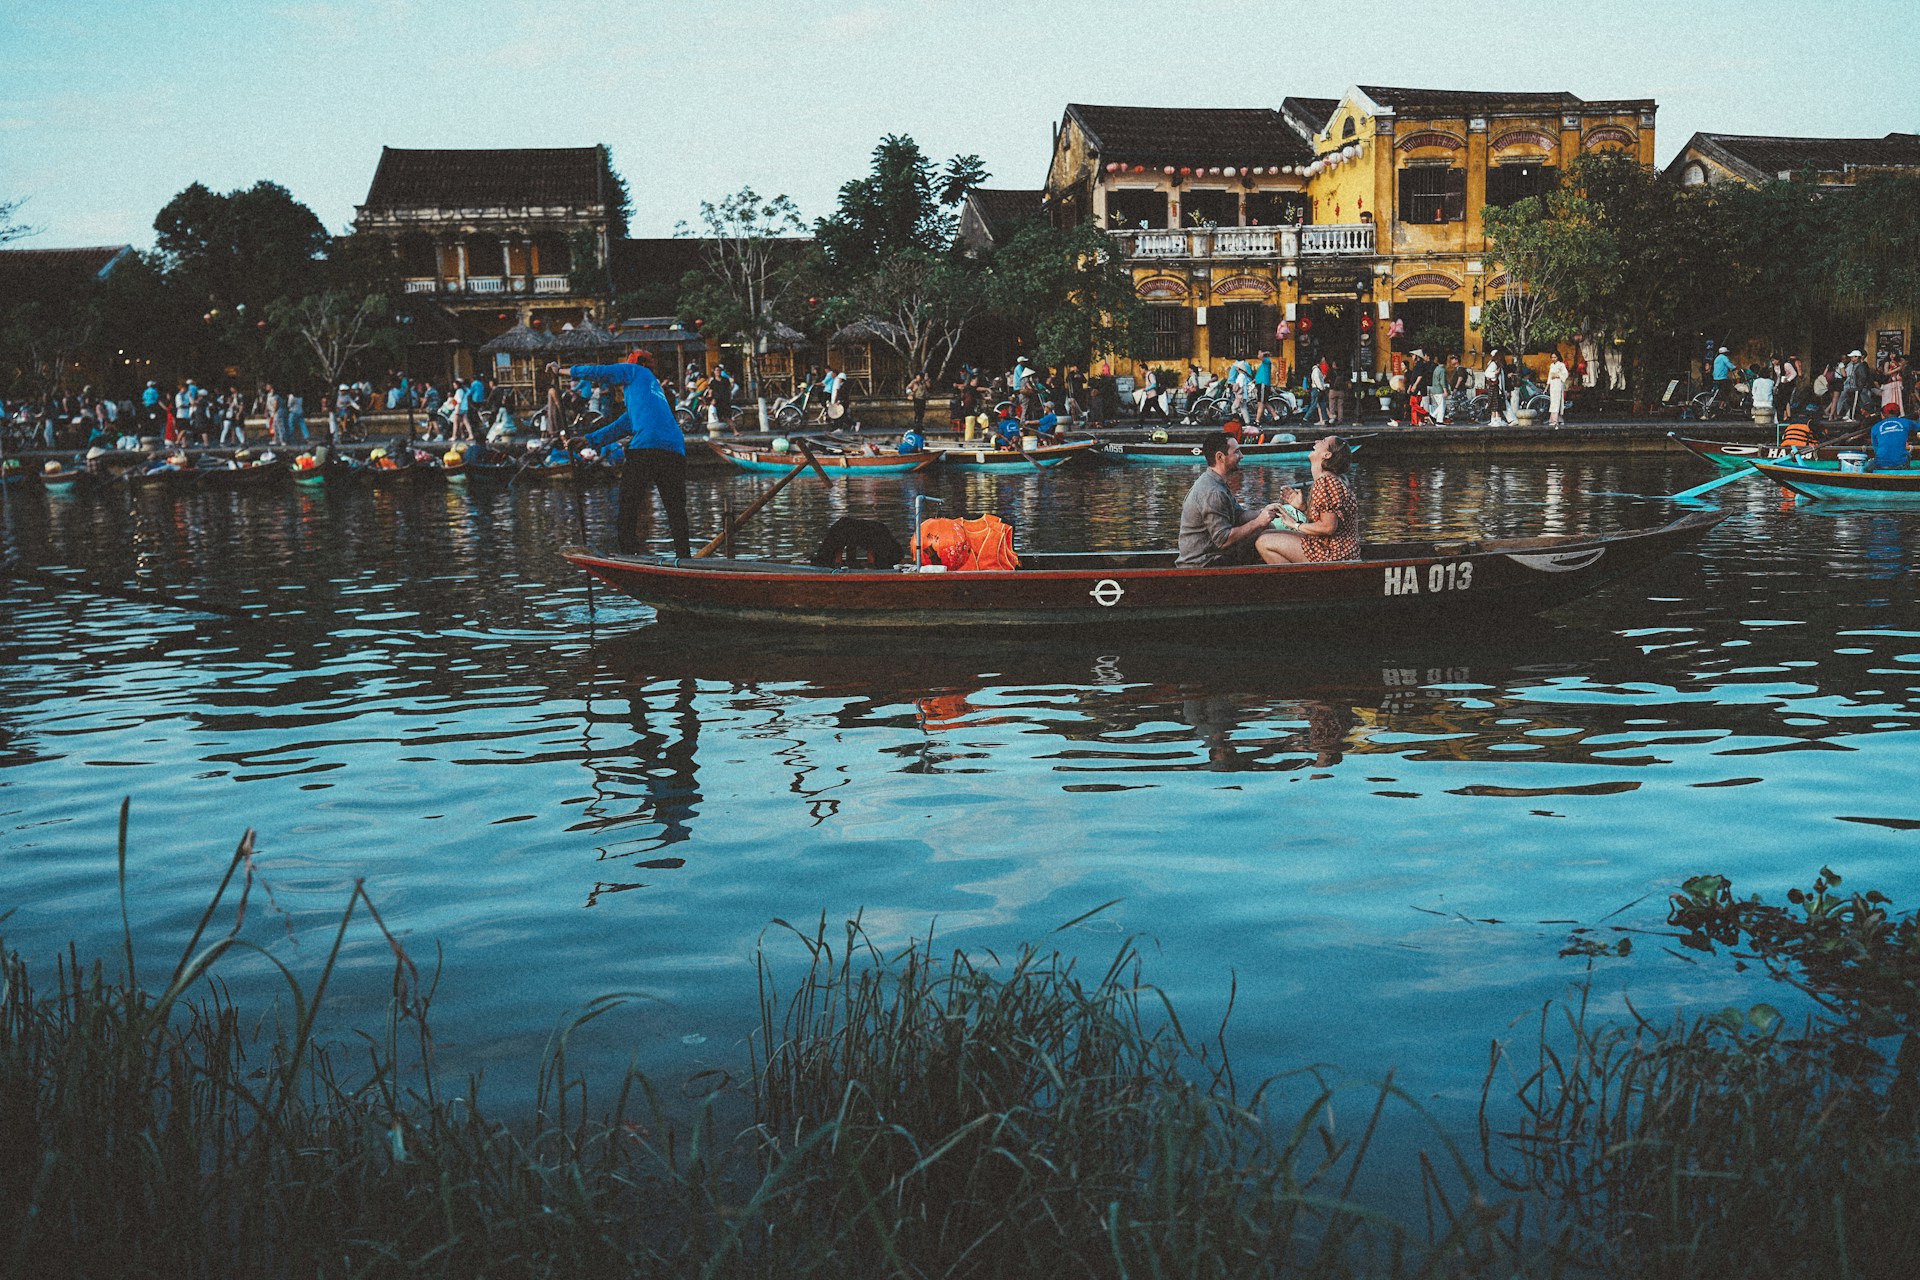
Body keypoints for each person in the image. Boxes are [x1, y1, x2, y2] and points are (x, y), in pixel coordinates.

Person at [551, 351, 690, 557]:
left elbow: (600, 372)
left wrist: (562, 371)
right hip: (675, 450)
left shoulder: (635, 371)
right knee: (676, 510)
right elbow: (622, 425)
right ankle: (684, 557)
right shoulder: (652, 391)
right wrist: (588, 440)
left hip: (647, 448)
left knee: (628, 506)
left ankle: (628, 556)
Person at [1176, 431, 1291, 567]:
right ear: (1220, 457)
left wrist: (1264, 512)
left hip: (1213, 555)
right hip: (1203, 563)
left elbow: (1239, 515)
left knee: (1267, 531)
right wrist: (1258, 522)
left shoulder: (1216, 482)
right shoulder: (1213, 492)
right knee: (1267, 536)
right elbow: (1223, 540)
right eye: (1236, 452)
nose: (1241, 456)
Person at [1263, 435, 1360, 564]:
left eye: (1323, 441)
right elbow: (1326, 520)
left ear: (1327, 455)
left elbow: (1328, 527)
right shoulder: (1331, 479)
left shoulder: (1326, 482)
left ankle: (1301, 577)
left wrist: (1294, 524)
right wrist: (1303, 507)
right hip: (1339, 549)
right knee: (1267, 534)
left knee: (1263, 541)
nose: (1317, 441)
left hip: (1334, 553)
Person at [1870, 402, 1914, 471]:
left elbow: (1876, 448)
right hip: (1901, 464)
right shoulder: (1906, 422)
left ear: (1885, 414)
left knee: (1866, 467)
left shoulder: (1875, 427)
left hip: (1880, 464)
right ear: (1899, 413)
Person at [1547, 351, 1570, 426]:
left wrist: (1558, 375)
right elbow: (1549, 376)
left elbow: (1565, 374)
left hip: (1558, 384)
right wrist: (1547, 386)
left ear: (1558, 357)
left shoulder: (1561, 365)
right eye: (1552, 357)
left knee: (1557, 401)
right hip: (1553, 384)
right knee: (1553, 401)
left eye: (1555, 357)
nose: (1553, 359)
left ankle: (1555, 420)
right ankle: (1558, 419)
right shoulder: (1551, 365)